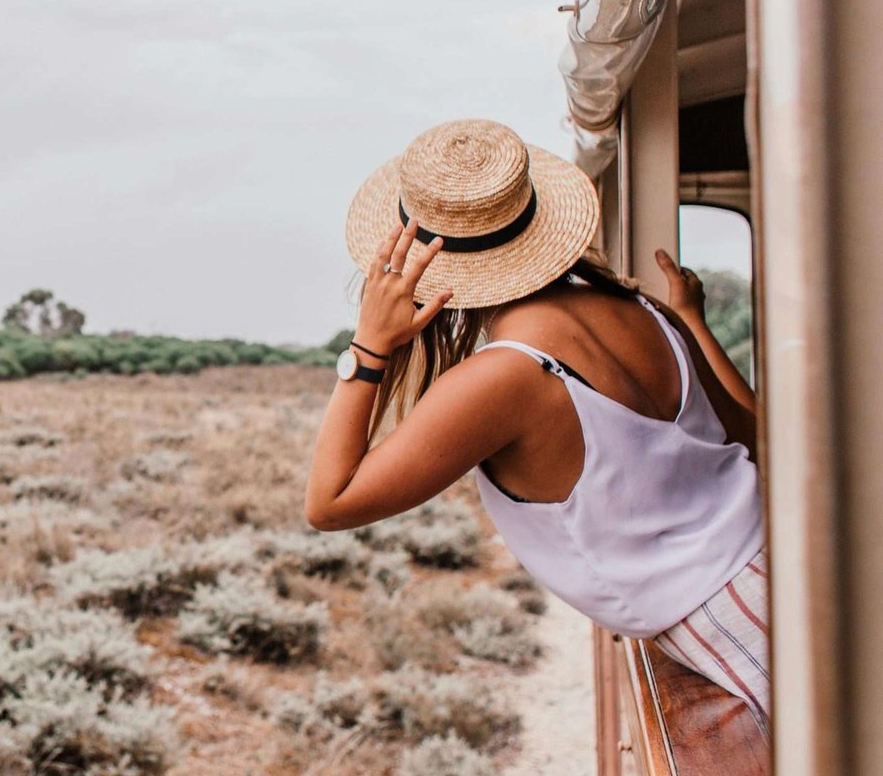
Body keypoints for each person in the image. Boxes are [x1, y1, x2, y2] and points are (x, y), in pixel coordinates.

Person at [304, 119, 768, 723]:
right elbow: (754, 435)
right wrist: (693, 322)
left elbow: (330, 503)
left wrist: (369, 349)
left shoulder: (503, 378)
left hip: (734, 614)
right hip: (786, 548)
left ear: (417, 265)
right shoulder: (644, 308)